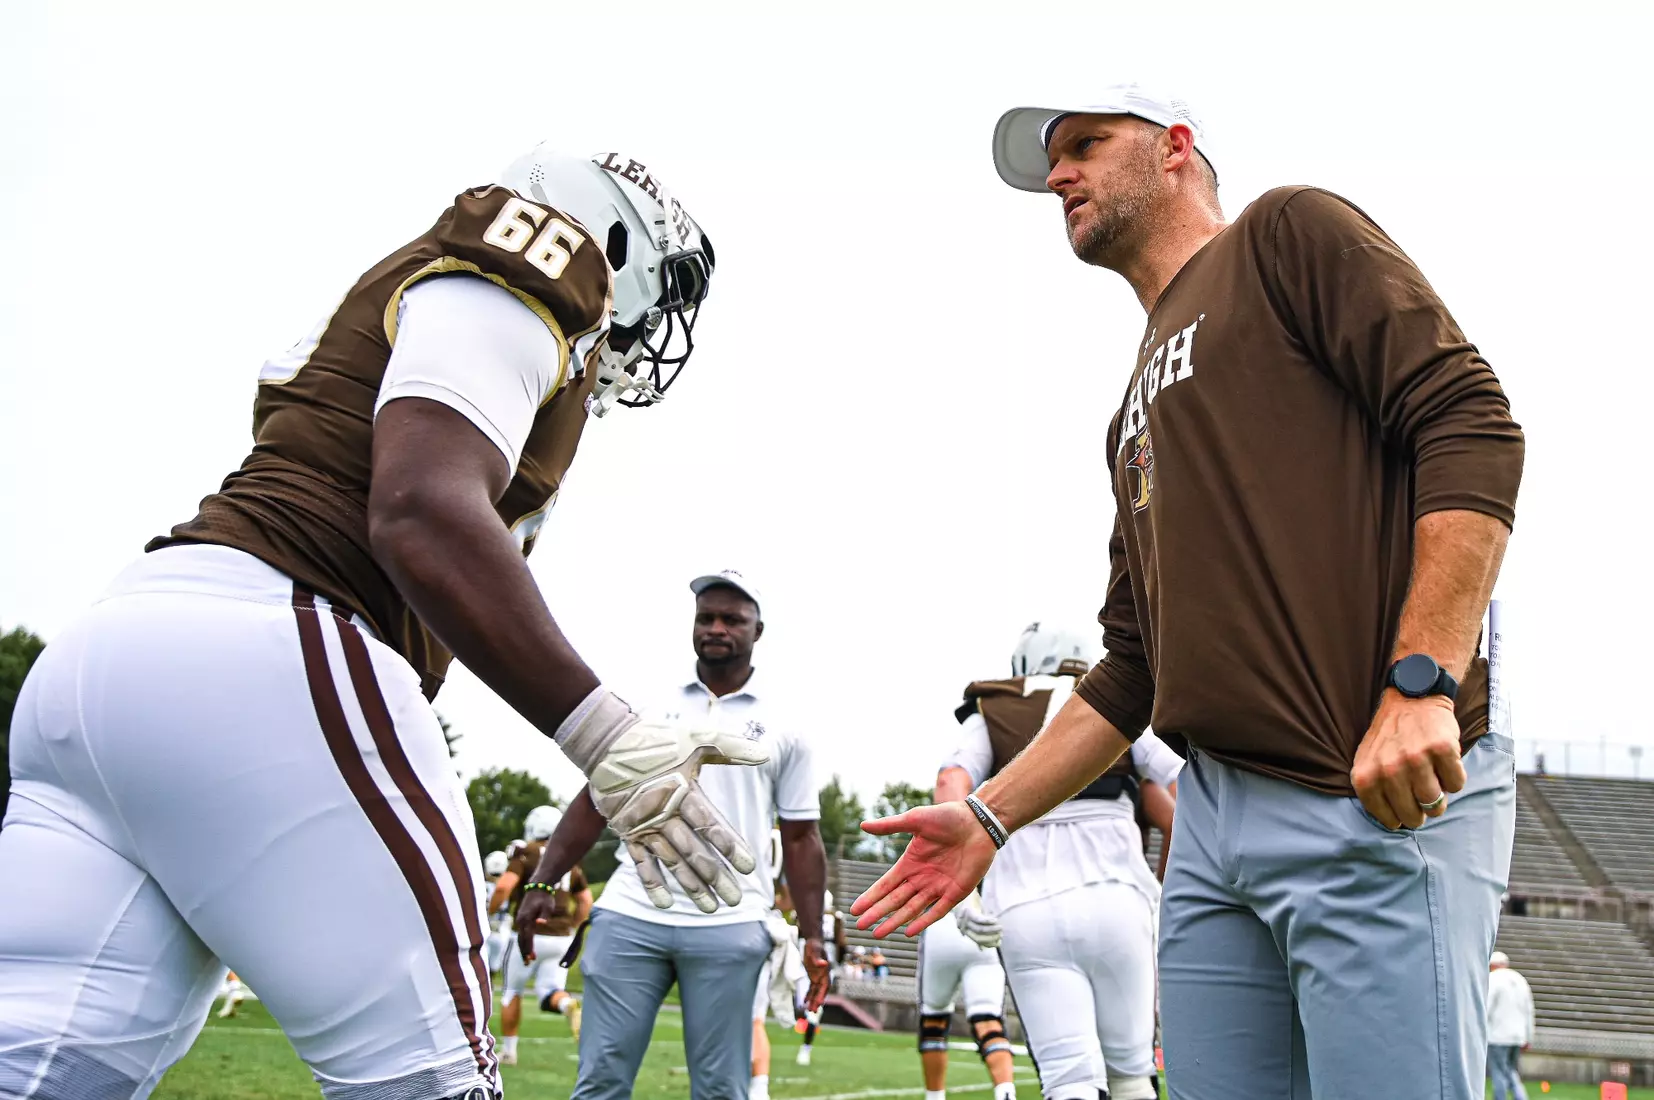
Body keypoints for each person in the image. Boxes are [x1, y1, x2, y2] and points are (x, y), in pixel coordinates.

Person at [0, 144, 763, 1100]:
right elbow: (420, 510)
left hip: (113, 662)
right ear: (614, 241)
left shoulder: (426, 291)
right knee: (433, 1080)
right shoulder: (529, 266)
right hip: (276, 650)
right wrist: (604, 733)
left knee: (41, 1068)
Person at [855, 84, 1524, 1100]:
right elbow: (1130, 668)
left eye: (1084, 142)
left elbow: (1468, 420)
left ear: (1173, 147)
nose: (1058, 174)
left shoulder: (1285, 232)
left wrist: (1421, 678)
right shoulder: (1130, 404)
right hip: (1212, 822)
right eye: (1050, 160)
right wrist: (989, 818)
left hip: (1368, 785)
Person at [521, 571, 832, 1100]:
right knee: (599, 1082)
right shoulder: (644, 704)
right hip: (631, 913)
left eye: (732, 619)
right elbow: (593, 800)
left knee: (719, 1089)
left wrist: (814, 935)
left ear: (759, 630)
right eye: (705, 617)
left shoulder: (788, 724)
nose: (716, 627)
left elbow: (801, 837)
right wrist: (543, 882)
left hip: (732, 921)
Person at [939, 623, 1181, 1100]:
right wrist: (1167, 890)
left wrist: (964, 891)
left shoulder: (992, 709)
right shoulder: (1119, 700)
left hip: (1025, 907)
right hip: (1119, 901)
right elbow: (1185, 788)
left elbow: (951, 783)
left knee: (1070, 1080)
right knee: (1133, 1078)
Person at [488, 805, 592, 1060]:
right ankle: (567, 1005)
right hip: (561, 937)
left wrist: (488, 913)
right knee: (550, 991)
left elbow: (503, 886)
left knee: (512, 991)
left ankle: (510, 1051)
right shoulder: (569, 857)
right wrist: (572, 926)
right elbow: (585, 900)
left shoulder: (527, 852)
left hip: (528, 934)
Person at [915, 895, 1017, 1100]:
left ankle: (934, 1097)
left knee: (933, 1020)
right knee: (988, 1023)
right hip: (983, 922)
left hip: (941, 923)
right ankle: (1005, 1093)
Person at [1486, 951, 1535, 1100]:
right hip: (1517, 1037)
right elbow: (1529, 1010)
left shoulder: (1493, 979)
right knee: (1511, 1071)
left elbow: (1486, 1008)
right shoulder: (1520, 979)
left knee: (1499, 1073)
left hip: (1497, 1036)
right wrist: (1529, 1037)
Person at [482, 850, 511, 974]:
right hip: (500, 929)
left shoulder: (481, 886)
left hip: (484, 929)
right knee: (492, 969)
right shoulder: (507, 888)